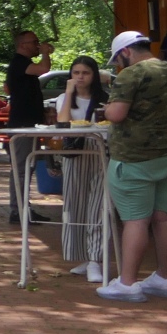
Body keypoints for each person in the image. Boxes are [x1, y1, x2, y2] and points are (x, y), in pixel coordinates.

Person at [98, 30, 167, 302]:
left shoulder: (131, 74)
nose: (118, 65)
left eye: (118, 59)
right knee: (165, 217)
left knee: (136, 220)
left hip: (135, 158)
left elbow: (117, 114)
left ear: (126, 52)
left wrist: (106, 109)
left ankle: (127, 284)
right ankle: (164, 279)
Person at [55, 55, 109, 281]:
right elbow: (62, 123)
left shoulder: (105, 99)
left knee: (99, 207)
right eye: (76, 73)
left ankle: (96, 259)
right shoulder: (63, 98)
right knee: (74, 206)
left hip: (100, 152)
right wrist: (68, 93)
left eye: (85, 73)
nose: (80, 77)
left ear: (94, 75)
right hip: (74, 153)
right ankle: (83, 256)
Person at [5, 30, 55, 222]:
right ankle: (17, 210)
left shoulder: (23, 64)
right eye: (35, 42)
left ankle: (23, 207)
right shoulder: (19, 63)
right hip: (22, 125)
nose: (37, 45)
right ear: (23, 45)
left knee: (28, 167)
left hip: (30, 124)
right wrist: (45, 53)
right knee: (21, 168)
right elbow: (44, 69)